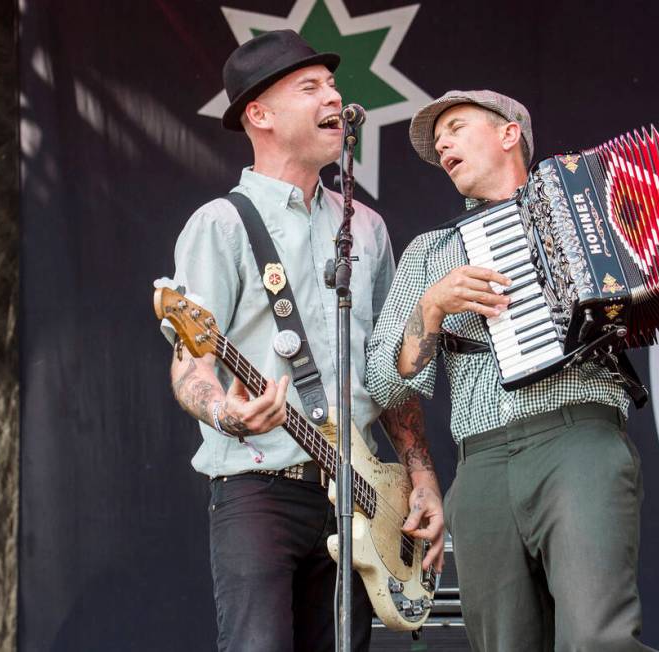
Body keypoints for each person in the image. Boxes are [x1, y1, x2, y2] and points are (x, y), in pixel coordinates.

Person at [366, 90, 659, 651]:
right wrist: (430, 308)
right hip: (481, 462)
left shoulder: (595, 199)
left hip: (577, 439)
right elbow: (387, 382)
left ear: (509, 133)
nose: (442, 144)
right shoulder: (429, 251)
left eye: (457, 127)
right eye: (438, 140)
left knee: (597, 640)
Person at [161, 30, 443, 652]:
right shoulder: (220, 224)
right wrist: (226, 412)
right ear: (258, 114)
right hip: (258, 489)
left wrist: (421, 477)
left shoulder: (366, 227)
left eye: (335, 86)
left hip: (361, 494)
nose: (334, 98)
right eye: (310, 87)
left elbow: (390, 372)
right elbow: (192, 366)